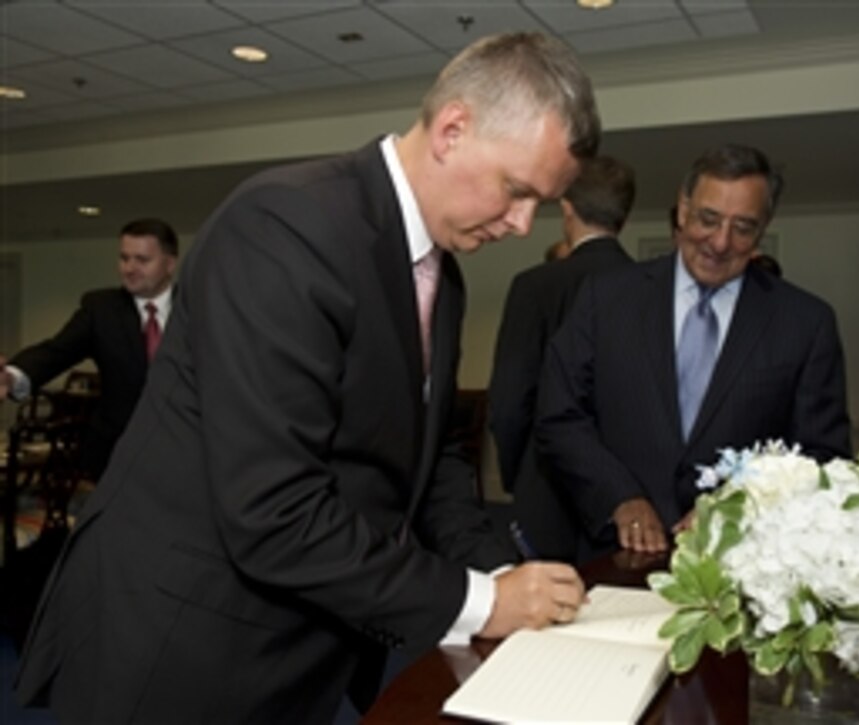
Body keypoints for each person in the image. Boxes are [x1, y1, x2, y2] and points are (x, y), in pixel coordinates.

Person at [15, 32, 600, 723]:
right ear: (452, 130)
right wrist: (479, 601)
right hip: (182, 643)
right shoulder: (286, 226)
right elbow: (274, 510)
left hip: (302, 636)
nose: (524, 224)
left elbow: (429, 456)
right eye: (516, 191)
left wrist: (498, 570)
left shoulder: (443, 273)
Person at [536, 144, 851, 561]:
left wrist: (735, 509)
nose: (720, 242)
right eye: (708, 219)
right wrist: (620, 497)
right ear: (682, 210)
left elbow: (821, 456)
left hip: (742, 563)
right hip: (612, 555)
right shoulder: (606, 299)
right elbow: (559, 415)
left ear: (762, 229)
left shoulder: (806, 323)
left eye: (742, 227)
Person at [488, 155, 636, 560]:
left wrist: (518, 474)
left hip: (544, 480)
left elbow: (510, 398)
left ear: (567, 209)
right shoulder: (651, 290)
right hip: (627, 490)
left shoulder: (536, 286)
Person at [0, 217, 179, 481]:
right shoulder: (101, 309)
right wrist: (13, 376)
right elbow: (56, 352)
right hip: (116, 456)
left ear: (169, 264)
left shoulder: (198, 308)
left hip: (183, 453)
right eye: (124, 258)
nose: (129, 268)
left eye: (142, 260)